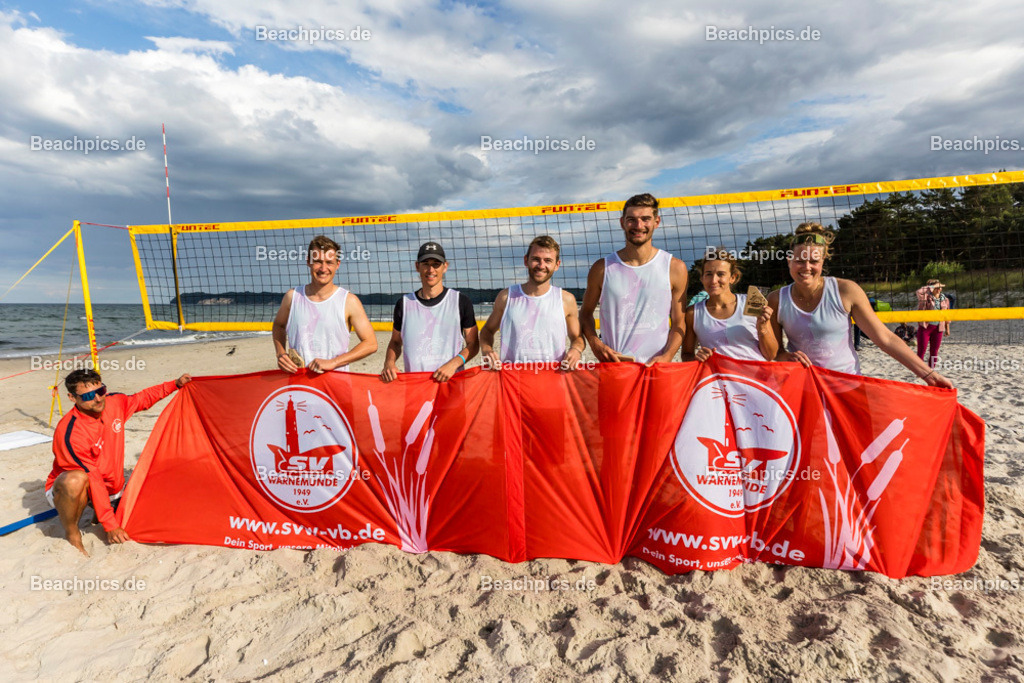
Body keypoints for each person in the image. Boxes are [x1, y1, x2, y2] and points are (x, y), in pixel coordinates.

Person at [768, 222, 952, 387]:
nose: (806, 267)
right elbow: (774, 352)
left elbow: (885, 339)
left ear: (823, 261)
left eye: (814, 261)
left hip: (846, 387)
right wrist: (785, 356)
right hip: (803, 389)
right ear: (789, 260)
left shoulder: (845, 290)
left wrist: (929, 374)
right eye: (799, 260)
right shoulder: (776, 299)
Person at [45, 369, 192, 555]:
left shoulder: (114, 403)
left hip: (111, 486)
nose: (98, 399)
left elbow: (142, 399)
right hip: (72, 488)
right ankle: (72, 533)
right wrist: (110, 525)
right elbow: (94, 478)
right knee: (76, 480)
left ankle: (99, 512)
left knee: (154, 518)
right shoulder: (71, 432)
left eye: (101, 391)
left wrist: (175, 385)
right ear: (72, 398)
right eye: (89, 395)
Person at [580, 193, 688, 364]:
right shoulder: (602, 268)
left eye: (645, 219)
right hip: (615, 366)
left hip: (656, 368)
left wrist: (667, 356)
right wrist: (596, 344)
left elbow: (679, 323)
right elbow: (585, 315)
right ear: (622, 222)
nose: (638, 226)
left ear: (656, 222)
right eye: (632, 219)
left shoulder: (675, 268)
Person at [273, 235, 378, 373]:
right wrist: (280, 353)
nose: (323, 268)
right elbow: (278, 326)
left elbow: (370, 344)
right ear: (308, 261)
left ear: (337, 264)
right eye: (317, 261)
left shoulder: (349, 301)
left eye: (329, 262)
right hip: (299, 385)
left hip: (335, 385)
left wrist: (333, 362)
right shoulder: (292, 297)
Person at [480, 235, 585, 368]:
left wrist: (576, 350)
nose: (541, 266)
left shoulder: (566, 299)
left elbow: (577, 338)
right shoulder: (506, 297)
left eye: (548, 260)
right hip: (513, 380)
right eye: (536, 259)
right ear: (526, 260)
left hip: (553, 379)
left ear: (557, 265)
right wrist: (487, 350)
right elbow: (487, 331)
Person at [380, 242, 479, 382]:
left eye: (436, 264)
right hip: (416, 386)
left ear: (445, 267)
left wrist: (454, 363)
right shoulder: (404, 303)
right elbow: (396, 342)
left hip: (451, 384)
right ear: (417, 266)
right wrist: (389, 362)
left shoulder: (460, 301)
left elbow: (473, 344)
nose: (431, 269)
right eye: (425, 263)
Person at [681, 248, 777, 362]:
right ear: (702, 278)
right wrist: (696, 359)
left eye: (720, 274)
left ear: (733, 278)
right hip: (717, 377)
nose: (713, 280)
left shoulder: (751, 303)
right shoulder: (693, 313)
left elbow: (771, 355)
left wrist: (762, 328)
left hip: (755, 376)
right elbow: (687, 355)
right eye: (708, 274)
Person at [915, 278, 951, 367]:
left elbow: (947, 315)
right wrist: (931, 286)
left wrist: (947, 328)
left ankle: (931, 370)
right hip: (925, 327)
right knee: (921, 351)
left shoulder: (945, 299)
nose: (939, 289)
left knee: (934, 351)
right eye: (937, 287)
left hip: (938, 328)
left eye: (940, 287)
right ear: (931, 288)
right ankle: (920, 370)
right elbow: (919, 292)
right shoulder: (925, 297)